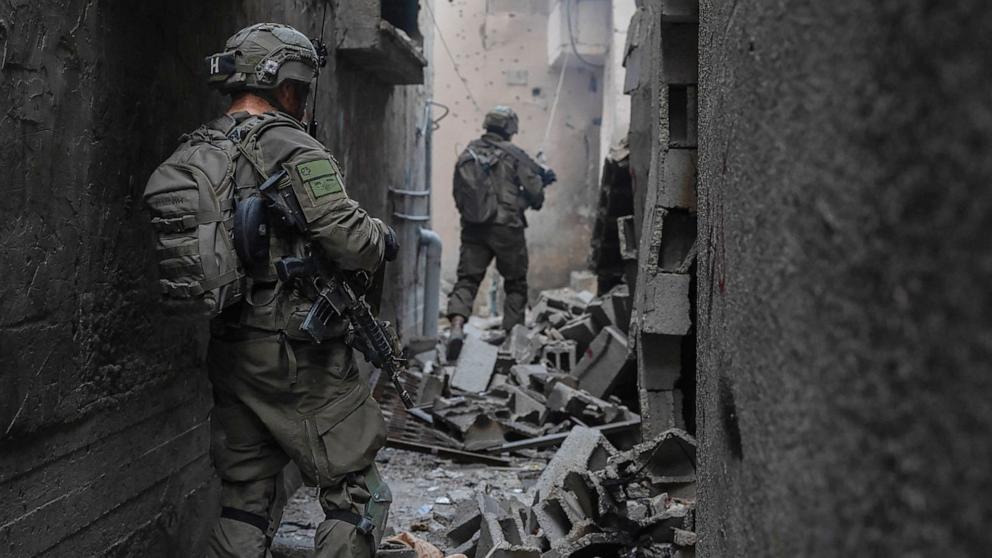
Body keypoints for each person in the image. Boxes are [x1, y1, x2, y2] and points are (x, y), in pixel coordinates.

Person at [152, 23, 397, 558]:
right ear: (287, 86)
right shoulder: (290, 144)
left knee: (246, 499)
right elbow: (352, 241)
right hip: (296, 356)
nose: (303, 98)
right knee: (357, 494)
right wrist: (383, 236)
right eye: (302, 87)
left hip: (233, 346)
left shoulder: (200, 147)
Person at [446, 106, 556, 359]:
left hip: (474, 227)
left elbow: (458, 195)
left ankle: (456, 326)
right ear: (510, 128)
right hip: (507, 228)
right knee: (515, 282)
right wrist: (542, 181)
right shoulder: (515, 155)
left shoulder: (468, 152)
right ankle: (511, 340)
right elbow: (535, 196)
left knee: (467, 280)